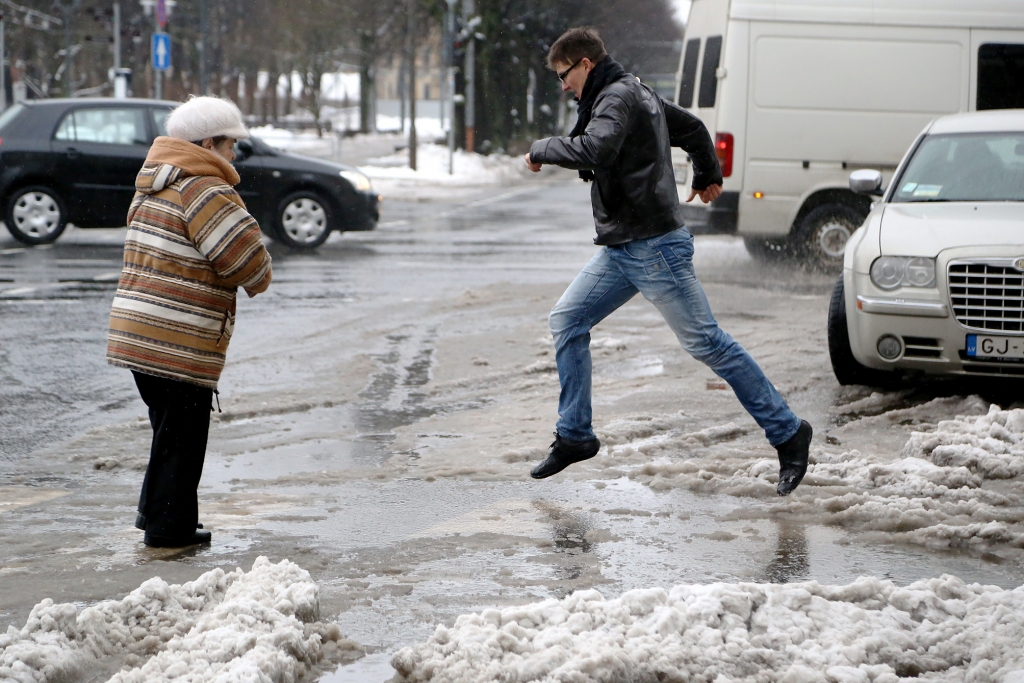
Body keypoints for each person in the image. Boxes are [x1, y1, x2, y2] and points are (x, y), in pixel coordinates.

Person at [524, 28, 812, 496]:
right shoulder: (632, 92)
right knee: (567, 320)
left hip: (654, 245)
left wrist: (541, 148)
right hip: (623, 246)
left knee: (708, 343)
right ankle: (575, 435)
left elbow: (596, 149)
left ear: (585, 64)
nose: (563, 85)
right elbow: (692, 128)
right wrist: (707, 172)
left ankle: (788, 431)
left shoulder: (617, 97)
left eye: (564, 75)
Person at [107, 96, 273, 548]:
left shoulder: (154, 183)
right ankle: (169, 529)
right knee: (183, 435)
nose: (235, 154)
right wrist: (259, 257)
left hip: (139, 330)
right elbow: (247, 264)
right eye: (230, 144)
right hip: (177, 335)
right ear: (207, 144)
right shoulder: (203, 189)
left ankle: (159, 517)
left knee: (169, 431)